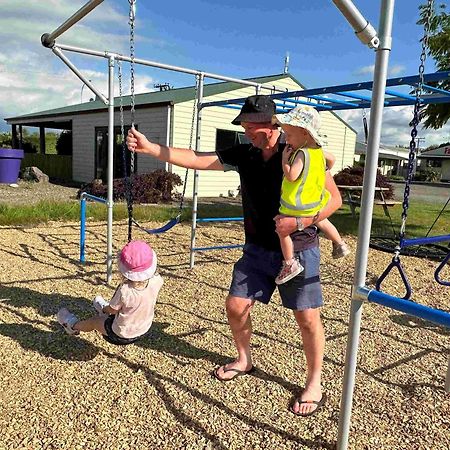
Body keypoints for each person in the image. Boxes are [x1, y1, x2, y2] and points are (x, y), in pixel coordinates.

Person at [126, 94, 343, 416]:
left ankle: (314, 382)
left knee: (307, 318)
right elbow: (199, 159)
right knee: (236, 305)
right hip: (257, 247)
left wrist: (301, 221)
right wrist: (153, 149)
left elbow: (334, 200)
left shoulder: (303, 152)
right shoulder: (245, 154)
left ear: (271, 126)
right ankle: (244, 359)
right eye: (243, 128)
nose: (245, 134)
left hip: (300, 247)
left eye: (249, 128)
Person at [271, 105, 350, 285]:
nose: (287, 139)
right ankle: (339, 243)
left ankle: (290, 263)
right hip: (314, 201)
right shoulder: (318, 152)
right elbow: (332, 160)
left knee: (282, 231)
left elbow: (291, 176)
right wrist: (325, 166)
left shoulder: (301, 153)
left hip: (297, 205)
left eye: (289, 135)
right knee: (321, 220)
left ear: (305, 133)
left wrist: (284, 161)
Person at [57, 240, 163, 346]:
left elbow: (113, 310)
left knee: (95, 321)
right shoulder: (157, 281)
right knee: (127, 308)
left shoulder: (125, 290)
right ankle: (104, 312)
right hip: (143, 329)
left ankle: (72, 325)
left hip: (120, 335)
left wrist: (105, 309)